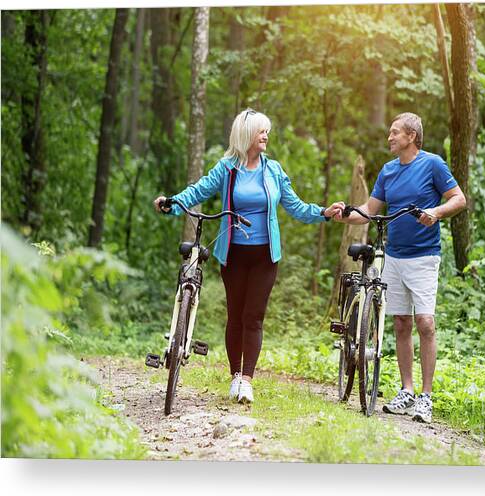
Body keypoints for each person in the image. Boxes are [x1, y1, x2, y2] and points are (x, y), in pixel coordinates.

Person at [153, 108, 344, 404]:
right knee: (236, 317)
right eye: (260, 131)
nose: (265, 135)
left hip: (265, 256)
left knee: (253, 317)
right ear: (246, 136)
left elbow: (295, 206)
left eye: (266, 130)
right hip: (233, 254)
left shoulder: (274, 170)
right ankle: (234, 377)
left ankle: (247, 381)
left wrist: (323, 213)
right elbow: (199, 190)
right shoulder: (227, 168)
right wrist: (172, 203)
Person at [336, 112, 466, 423]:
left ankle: (426, 396)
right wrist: (342, 214)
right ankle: (406, 391)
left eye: (396, 133)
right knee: (401, 324)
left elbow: (459, 199)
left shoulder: (432, 164)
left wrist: (435, 212)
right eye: (391, 132)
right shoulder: (388, 171)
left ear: (412, 136)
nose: (390, 137)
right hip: (393, 256)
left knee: (425, 322)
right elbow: (369, 210)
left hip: (423, 257)